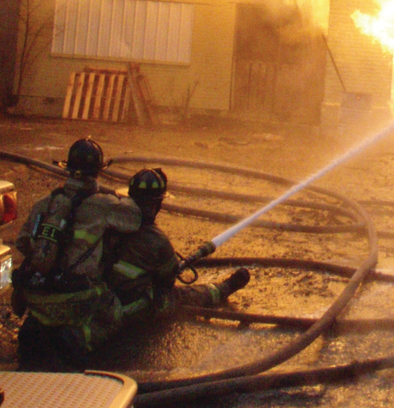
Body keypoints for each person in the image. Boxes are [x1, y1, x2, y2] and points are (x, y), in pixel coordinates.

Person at [13, 137, 141, 367]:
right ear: (98, 172)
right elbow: (135, 220)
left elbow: (22, 241)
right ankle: (77, 339)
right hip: (76, 297)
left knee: (42, 318)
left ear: (69, 169)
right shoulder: (105, 205)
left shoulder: (45, 202)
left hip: (36, 294)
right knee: (114, 315)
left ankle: (36, 331)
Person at [106, 167, 249, 323]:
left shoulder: (108, 220)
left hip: (101, 297)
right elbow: (167, 281)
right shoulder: (158, 241)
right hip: (131, 307)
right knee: (180, 296)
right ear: (157, 204)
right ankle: (224, 289)